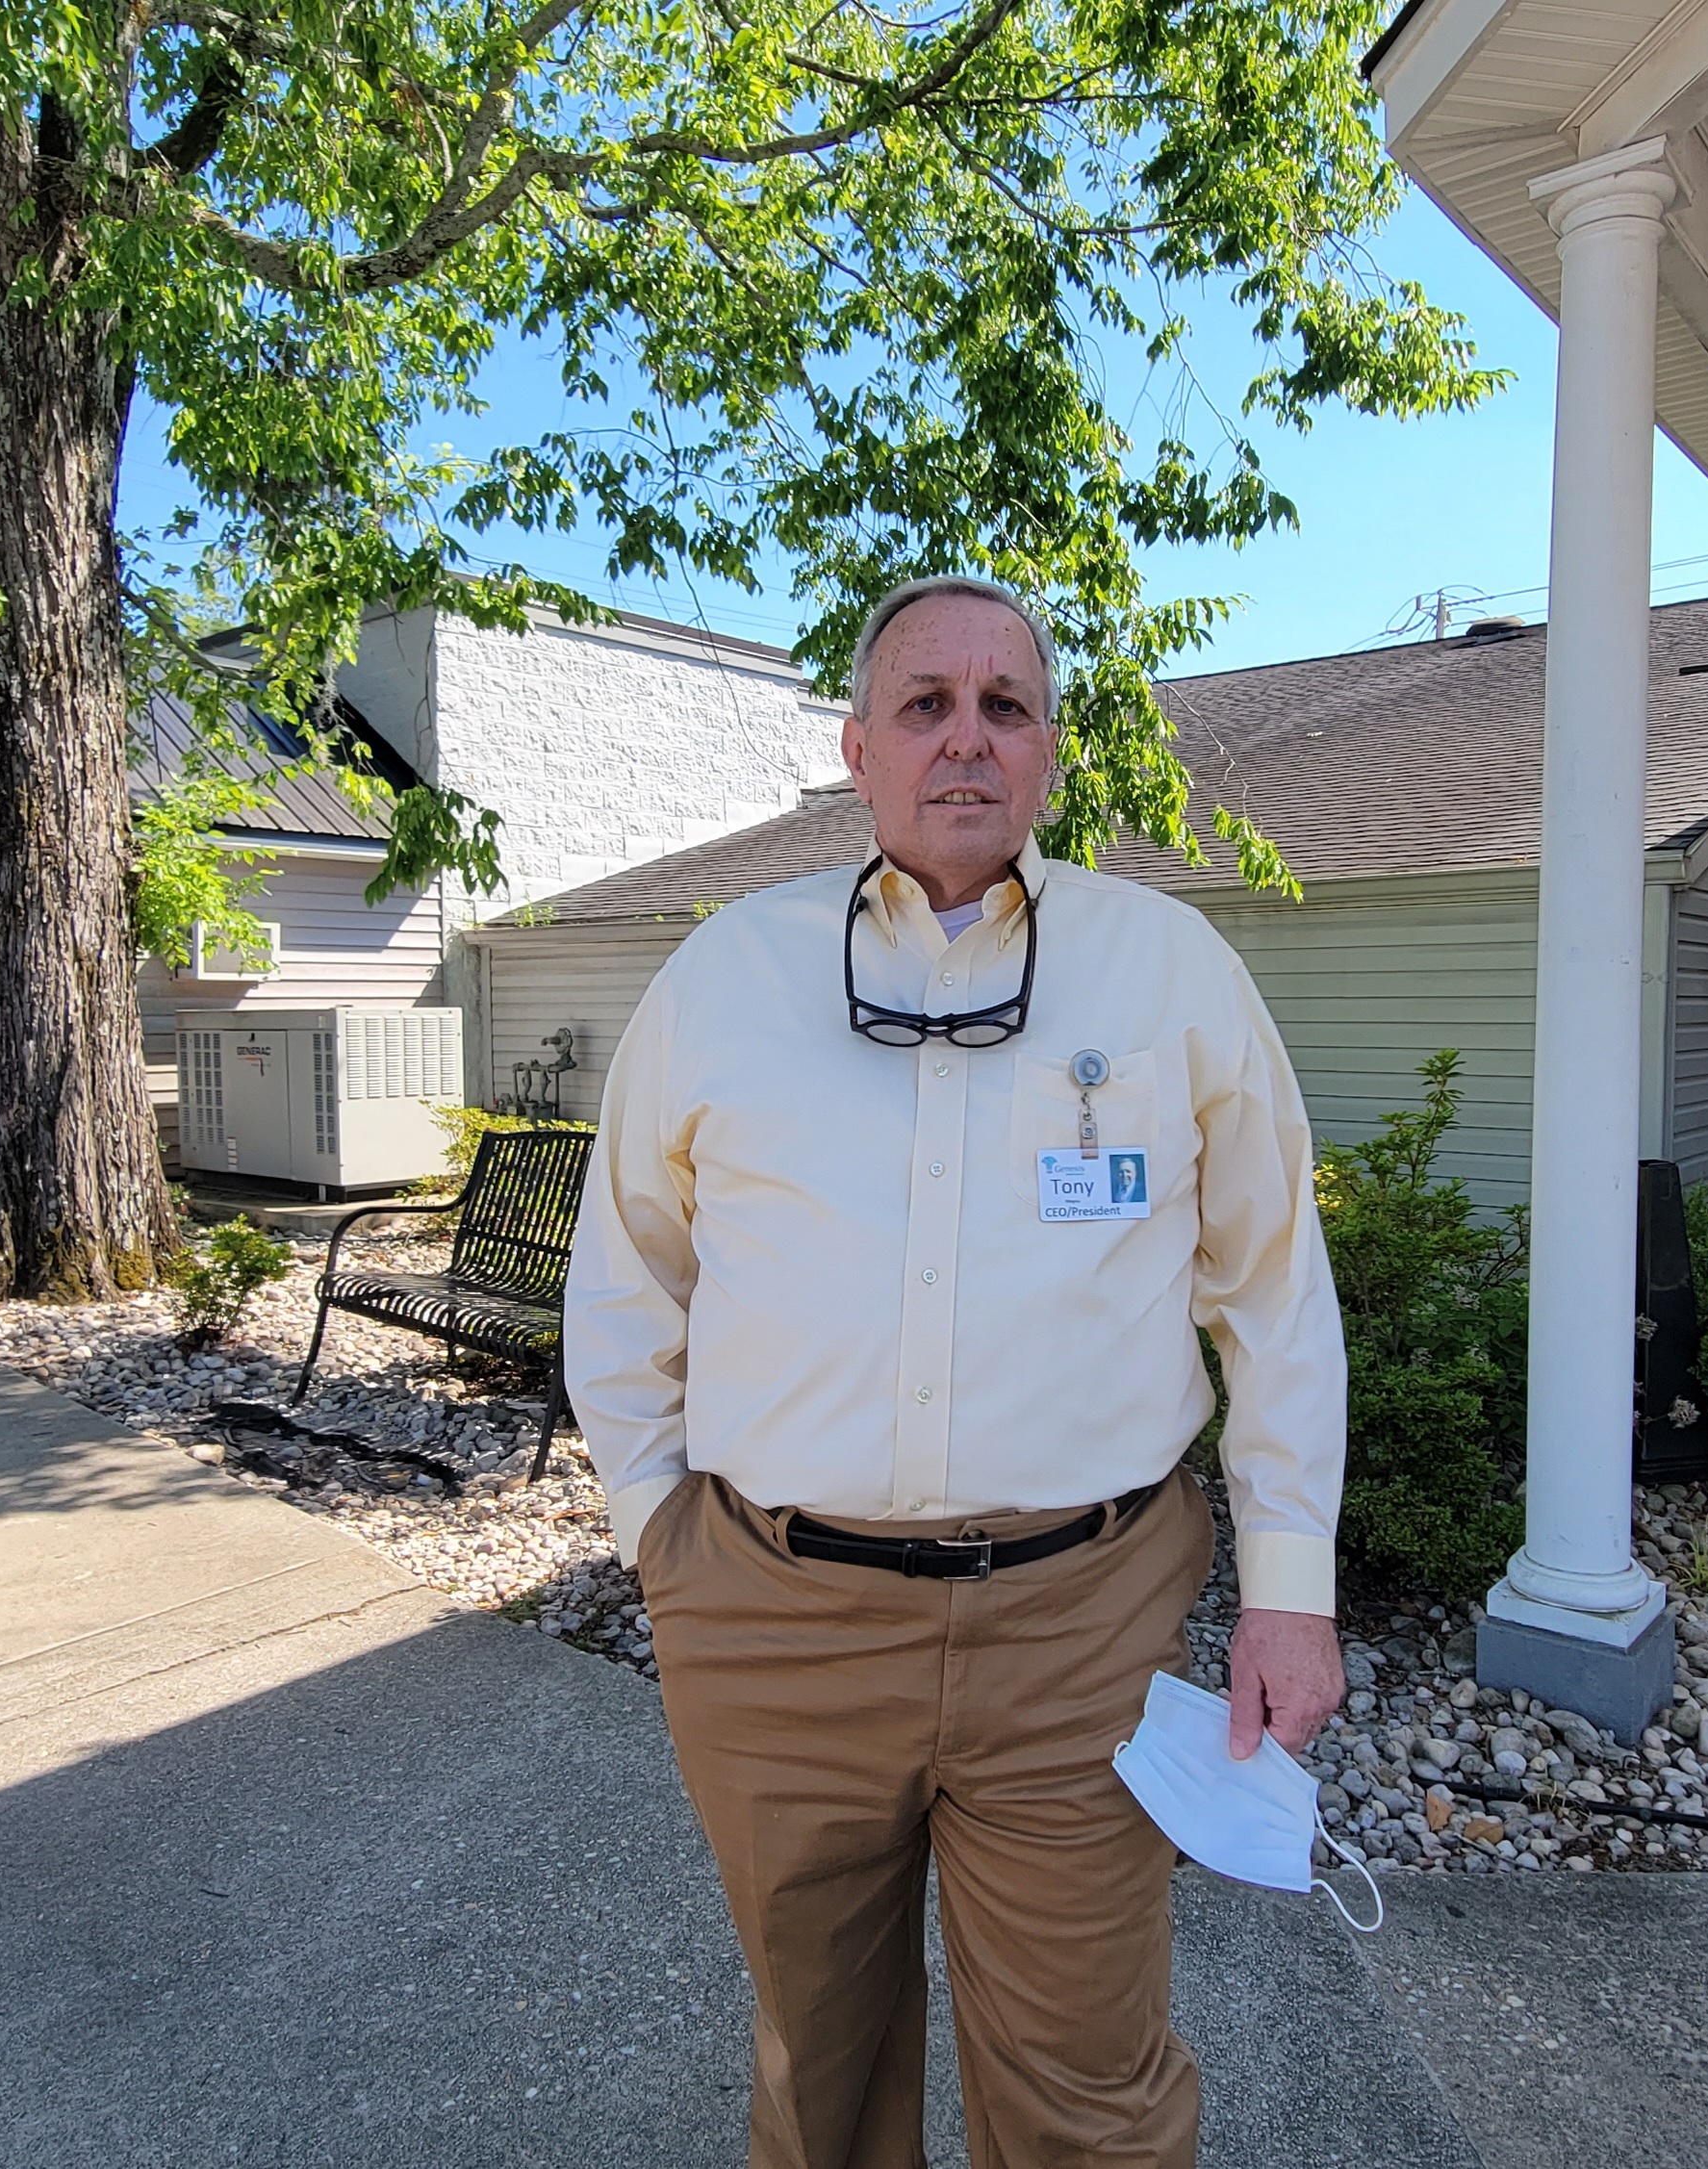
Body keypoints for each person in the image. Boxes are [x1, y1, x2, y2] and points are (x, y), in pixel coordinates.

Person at [565, 574, 1348, 2169]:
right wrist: (659, 1528)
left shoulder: (1168, 970)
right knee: (818, 2073)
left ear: (1052, 750)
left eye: (1005, 705)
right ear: (858, 747)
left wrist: (1289, 1584)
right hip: (775, 1625)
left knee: (1087, 2088)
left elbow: (1269, 1289)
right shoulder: (724, 974)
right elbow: (629, 1267)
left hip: (1078, 1625)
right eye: (925, 703)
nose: (965, 737)